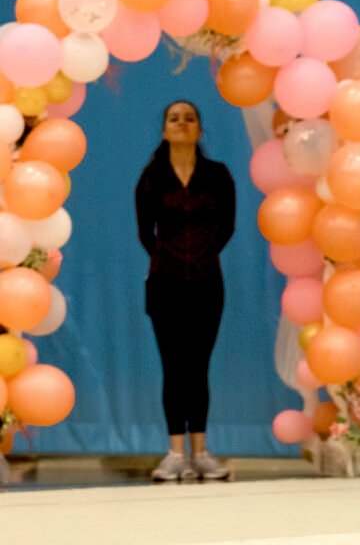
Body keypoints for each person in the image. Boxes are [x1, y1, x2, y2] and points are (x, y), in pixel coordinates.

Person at [135, 100, 236, 481]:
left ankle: (202, 452)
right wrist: (171, 259)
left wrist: (202, 256)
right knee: (174, 366)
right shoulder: (151, 177)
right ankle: (175, 454)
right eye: (174, 119)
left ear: (199, 129)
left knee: (198, 367)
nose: (182, 123)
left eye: (189, 118)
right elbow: (145, 232)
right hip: (166, 285)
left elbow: (227, 226)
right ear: (164, 130)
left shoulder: (218, 175)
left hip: (207, 284)